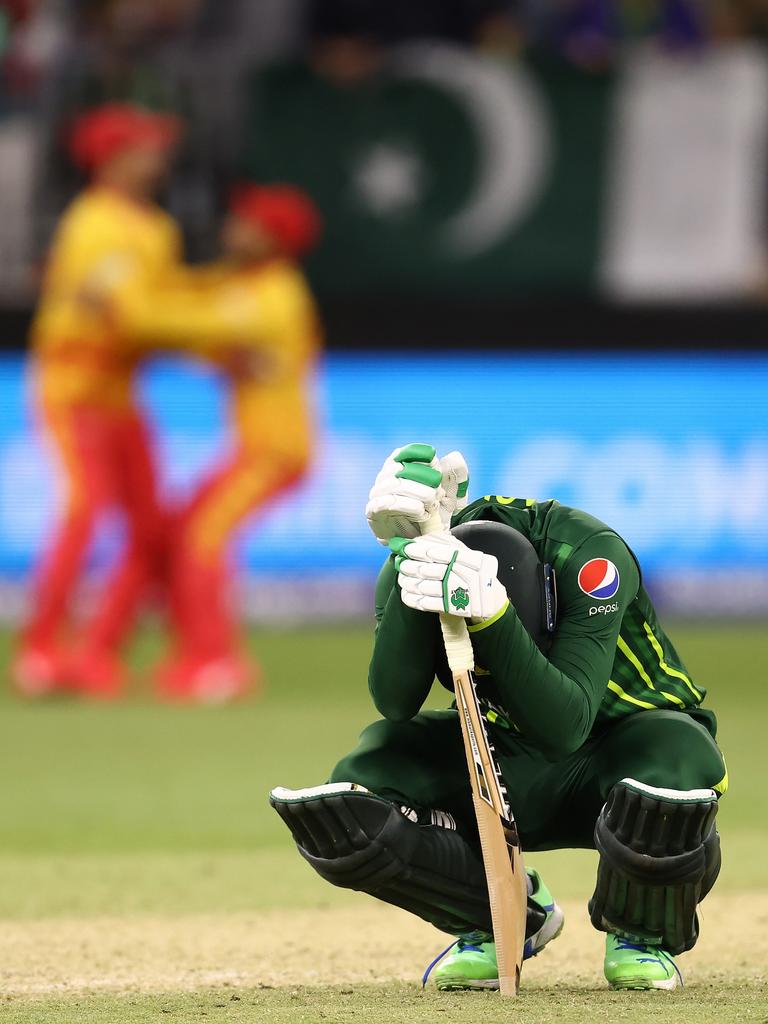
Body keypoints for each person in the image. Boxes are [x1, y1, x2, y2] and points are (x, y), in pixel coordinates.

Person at [271, 442, 727, 991]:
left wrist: (493, 616)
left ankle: (641, 934)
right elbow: (395, 703)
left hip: (626, 749)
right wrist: (407, 560)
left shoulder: (589, 557)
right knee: (356, 796)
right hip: (506, 758)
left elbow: (565, 727)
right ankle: (500, 916)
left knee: (679, 762)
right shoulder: (423, 558)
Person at [14, 102, 260, 699]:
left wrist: (212, 338)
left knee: (150, 526)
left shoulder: (152, 227)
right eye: (148, 147)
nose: (160, 158)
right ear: (115, 157)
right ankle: (41, 651)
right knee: (84, 510)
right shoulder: (93, 224)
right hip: (73, 390)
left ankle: (100, 651)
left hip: (119, 394)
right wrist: (225, 333)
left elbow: (164, 307)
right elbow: (136, 317)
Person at [157, 183, 322, 702]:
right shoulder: (247, 284)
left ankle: (219, 665)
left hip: (277, 452)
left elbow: (185, 320)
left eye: (247, 223)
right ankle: (194, 659)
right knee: (188, 533)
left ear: (272, 239)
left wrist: (122, 306)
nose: (233, 230)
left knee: (205, 539)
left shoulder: (273, 295)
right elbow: (197, 305)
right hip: (253, 448)